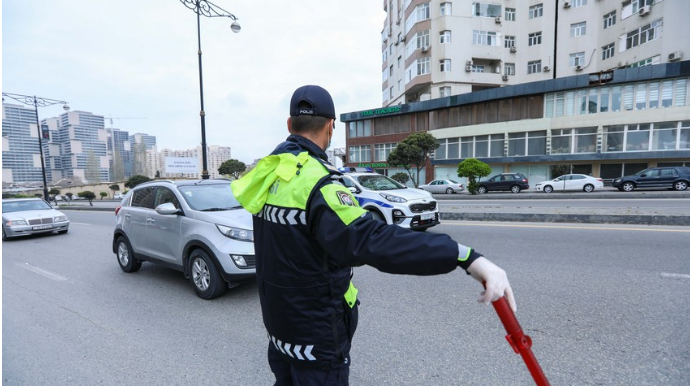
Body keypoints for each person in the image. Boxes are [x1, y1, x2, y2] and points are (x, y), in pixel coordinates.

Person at [231, 85, 516, 386]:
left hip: (280, 331)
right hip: (315, 338)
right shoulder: (319, 184)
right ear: (331, 127)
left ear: (290, 125)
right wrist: (463, 255)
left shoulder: (268, 174)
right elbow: (372, 239)